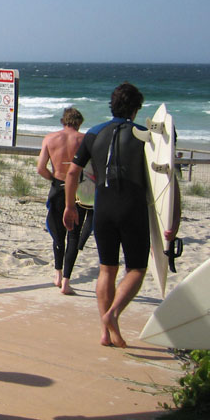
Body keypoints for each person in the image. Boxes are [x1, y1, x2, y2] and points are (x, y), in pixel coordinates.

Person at [63, 82, 178, 347]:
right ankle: (112, 314)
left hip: (103, 208)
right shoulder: (145, 135)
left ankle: (106, 332)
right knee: (137, 268)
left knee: (107, 269)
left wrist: (70, 207)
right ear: (136, 109)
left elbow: (72, 172)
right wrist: (169, 222)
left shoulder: (93, 133)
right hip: (132, 207)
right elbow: (166, 180)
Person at [37, 107, 86, 295]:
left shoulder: (50, 139)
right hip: (78, 188)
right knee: (74, 234)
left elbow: (41, 168)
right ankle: (66, 281)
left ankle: (57, 274)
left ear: (63, 121)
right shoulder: (83, 139)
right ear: (79, 122)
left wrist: (54, 180)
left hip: (58, 186)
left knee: (58, 233)